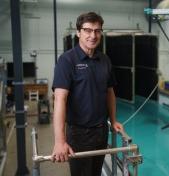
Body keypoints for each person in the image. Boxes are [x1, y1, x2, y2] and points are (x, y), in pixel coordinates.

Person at [51, 12, 123, 176]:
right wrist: (60, 141)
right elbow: (60, 99)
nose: (93, 35)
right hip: (79, 133)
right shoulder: (67, 60)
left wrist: (113, 120)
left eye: (97, 31)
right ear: (78, 32)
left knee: (96, 172)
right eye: (88, 30)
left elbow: (110, 92)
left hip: (101, 130)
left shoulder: (105, 60)